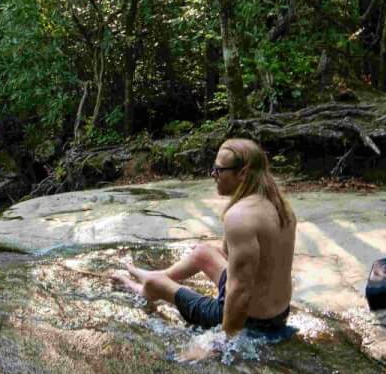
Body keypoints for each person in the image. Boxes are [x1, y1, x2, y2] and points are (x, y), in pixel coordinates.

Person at [112, 137, 297, 341]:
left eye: (218, 170)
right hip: (278, 314)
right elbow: (245, 263)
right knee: (203, 252)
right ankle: (156, 274)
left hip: (249, 322)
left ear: (242, 173)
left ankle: (147, 286)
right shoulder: (280, 206)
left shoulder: (240, 217)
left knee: (157, 284)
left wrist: (220, 341)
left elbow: (240, 291)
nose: (213, 175)